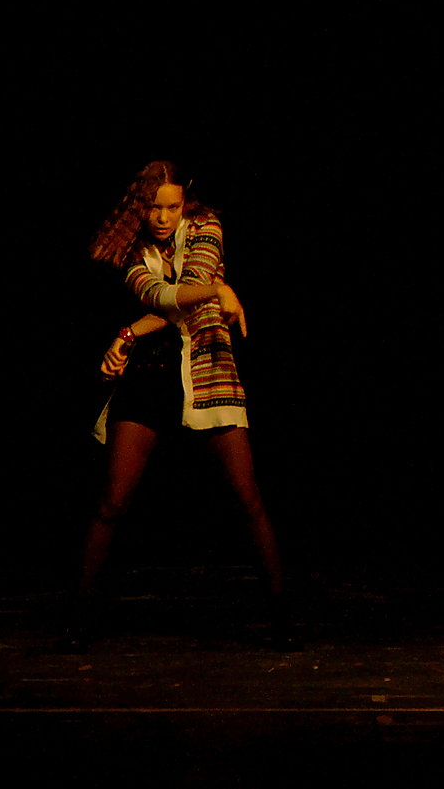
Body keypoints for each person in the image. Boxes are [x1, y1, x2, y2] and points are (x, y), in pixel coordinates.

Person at [64, 160, 294, 650]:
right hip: (150, 375)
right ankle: (77, 619)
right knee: (112, 500)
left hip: (208, 368)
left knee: (247, 497)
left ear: (185, 201)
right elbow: (162, 295)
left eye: (172, 207)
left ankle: (282, 619)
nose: (164, 217)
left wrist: (128, 331)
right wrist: (220, 291)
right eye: (154, 208)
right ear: (139, 208)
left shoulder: (207, 227)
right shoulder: (131, 250)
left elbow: (190, 285)